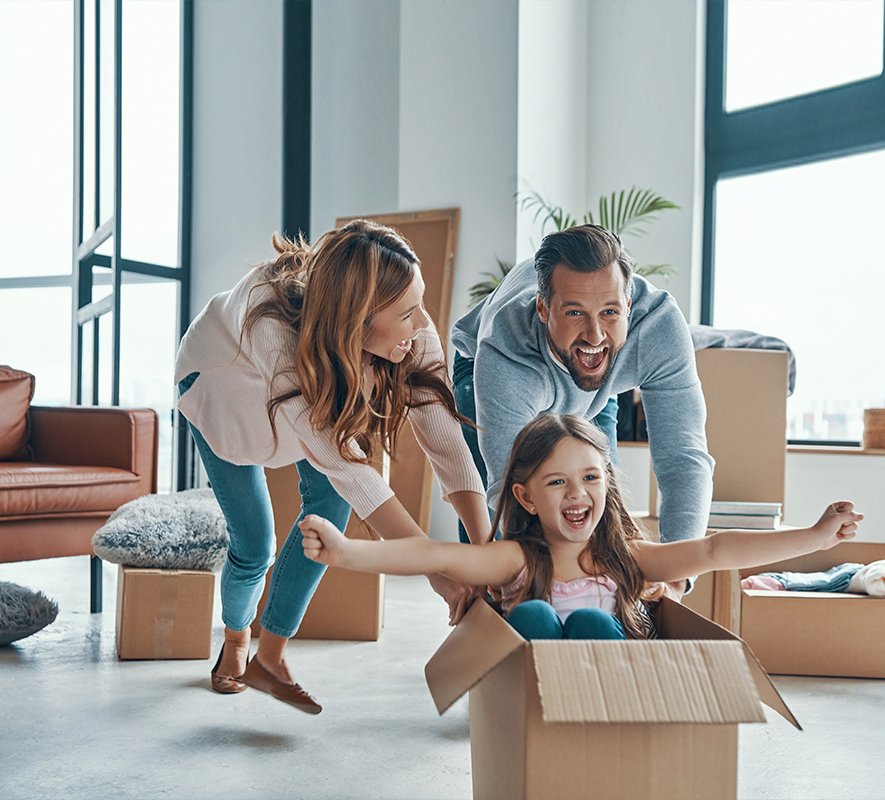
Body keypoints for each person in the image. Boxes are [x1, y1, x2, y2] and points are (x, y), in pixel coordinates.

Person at [175, 220, 490, 713]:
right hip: (223, 400)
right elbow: (351, 468)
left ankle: (271, 658)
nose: (423, 323)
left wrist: (484, 551)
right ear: (359, 322)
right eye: (408, 314)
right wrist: (438, 570)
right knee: (256, 546)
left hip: (301, 406)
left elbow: (445, 438)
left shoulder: (409, 329)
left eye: (420, 304)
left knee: (330, 514)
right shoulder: (272, 330)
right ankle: (237, 638)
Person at [299, 414, 862, 640]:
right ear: (525, 496)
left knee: (593, 618)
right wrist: (349, 553)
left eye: (591, 477)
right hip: (531, 702)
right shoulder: (518, 557)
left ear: (606, 484)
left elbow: (715, 549)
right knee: (536, 613)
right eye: (557, 483)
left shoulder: (628, 558)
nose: (577, 494)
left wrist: (813, 538)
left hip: (607, 699)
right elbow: (436, 557)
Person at [450, 225, 714, 565]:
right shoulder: (505, 351)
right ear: (543, 310)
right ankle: (482, 607)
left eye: (610, 312)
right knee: (493, 530)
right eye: (575, 312)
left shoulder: (658, 329)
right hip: (484, 368)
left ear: (628, 306)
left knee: (602, 504)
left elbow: (684, 458)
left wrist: (676, 574)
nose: (595, 333)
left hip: (593, 386)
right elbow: (511, 490)